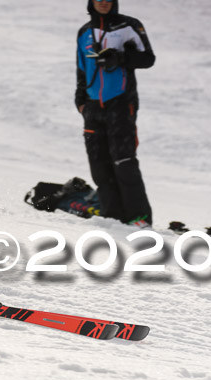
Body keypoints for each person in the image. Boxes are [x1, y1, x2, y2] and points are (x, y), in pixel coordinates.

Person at [75, 0, 155, 227]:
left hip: (120, 104)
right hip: (92, 108)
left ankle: (139, 218)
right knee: (99, 165)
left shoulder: (129, 26)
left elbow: (148, 58)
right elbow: (81, 68)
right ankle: (114, 218)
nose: (103, 3)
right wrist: (80, 102)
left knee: (124, 162)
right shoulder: (84, 32)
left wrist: (120, 58)